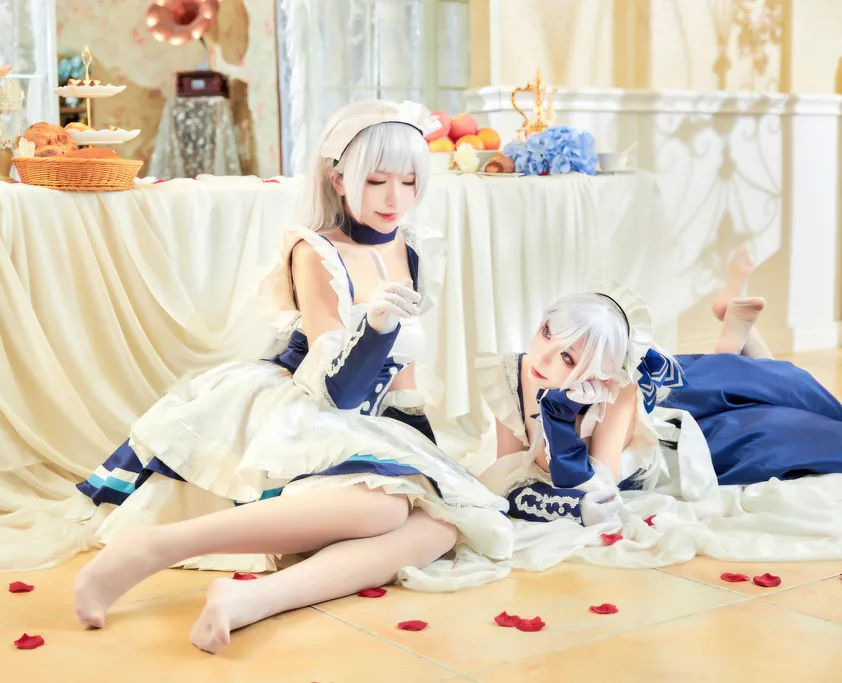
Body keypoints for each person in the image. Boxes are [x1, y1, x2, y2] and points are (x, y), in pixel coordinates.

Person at [72, 99, 513, 654]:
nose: (395, 199)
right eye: (377, 180)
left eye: (409, 181)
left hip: (371, 425)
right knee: (384, 507)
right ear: (339, 179)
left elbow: (405, 377)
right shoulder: (315, 252)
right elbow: (336, 390)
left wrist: (424, 463)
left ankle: (250, 600)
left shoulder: (414, 247)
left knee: (443, 523)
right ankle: (155, 546)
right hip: (306, 405)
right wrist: (375, 330)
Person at [476, 247, 842, 526]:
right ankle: (735, 333)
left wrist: (559, 420)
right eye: (547, 332)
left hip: (674, 435)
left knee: (764, 387)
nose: (542, 358)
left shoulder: (619, 389)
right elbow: (509, 474)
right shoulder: (512, 374)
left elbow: (599, 483)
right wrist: (558, 418)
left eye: (567, 356)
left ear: (601, 372)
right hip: (677, 428)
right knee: (762, 419)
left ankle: (736, 337)